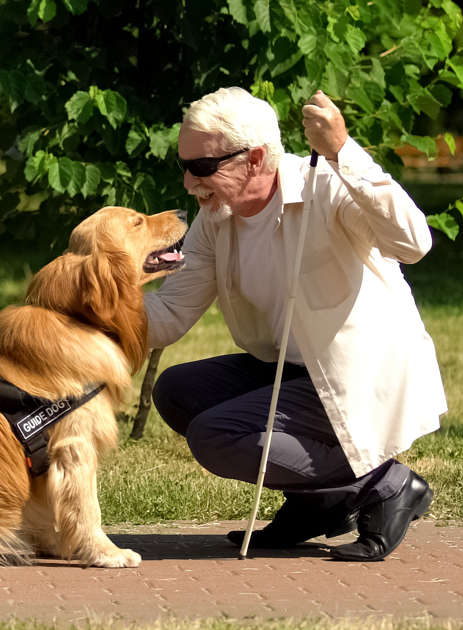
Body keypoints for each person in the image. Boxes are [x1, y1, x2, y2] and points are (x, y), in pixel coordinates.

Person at [144, 87, 447, 561]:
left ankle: (386, 484)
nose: (188, 183)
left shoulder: (327, 186)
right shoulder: (215, 219)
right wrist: (81, 315)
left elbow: (414, 242)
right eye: (183, 166)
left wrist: (343, 151)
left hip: (357, 376)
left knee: (216, 436)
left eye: (202, 167)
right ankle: (320, 501)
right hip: (289, 368)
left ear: (255, 158)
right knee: (178, 390)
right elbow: (169, 313)